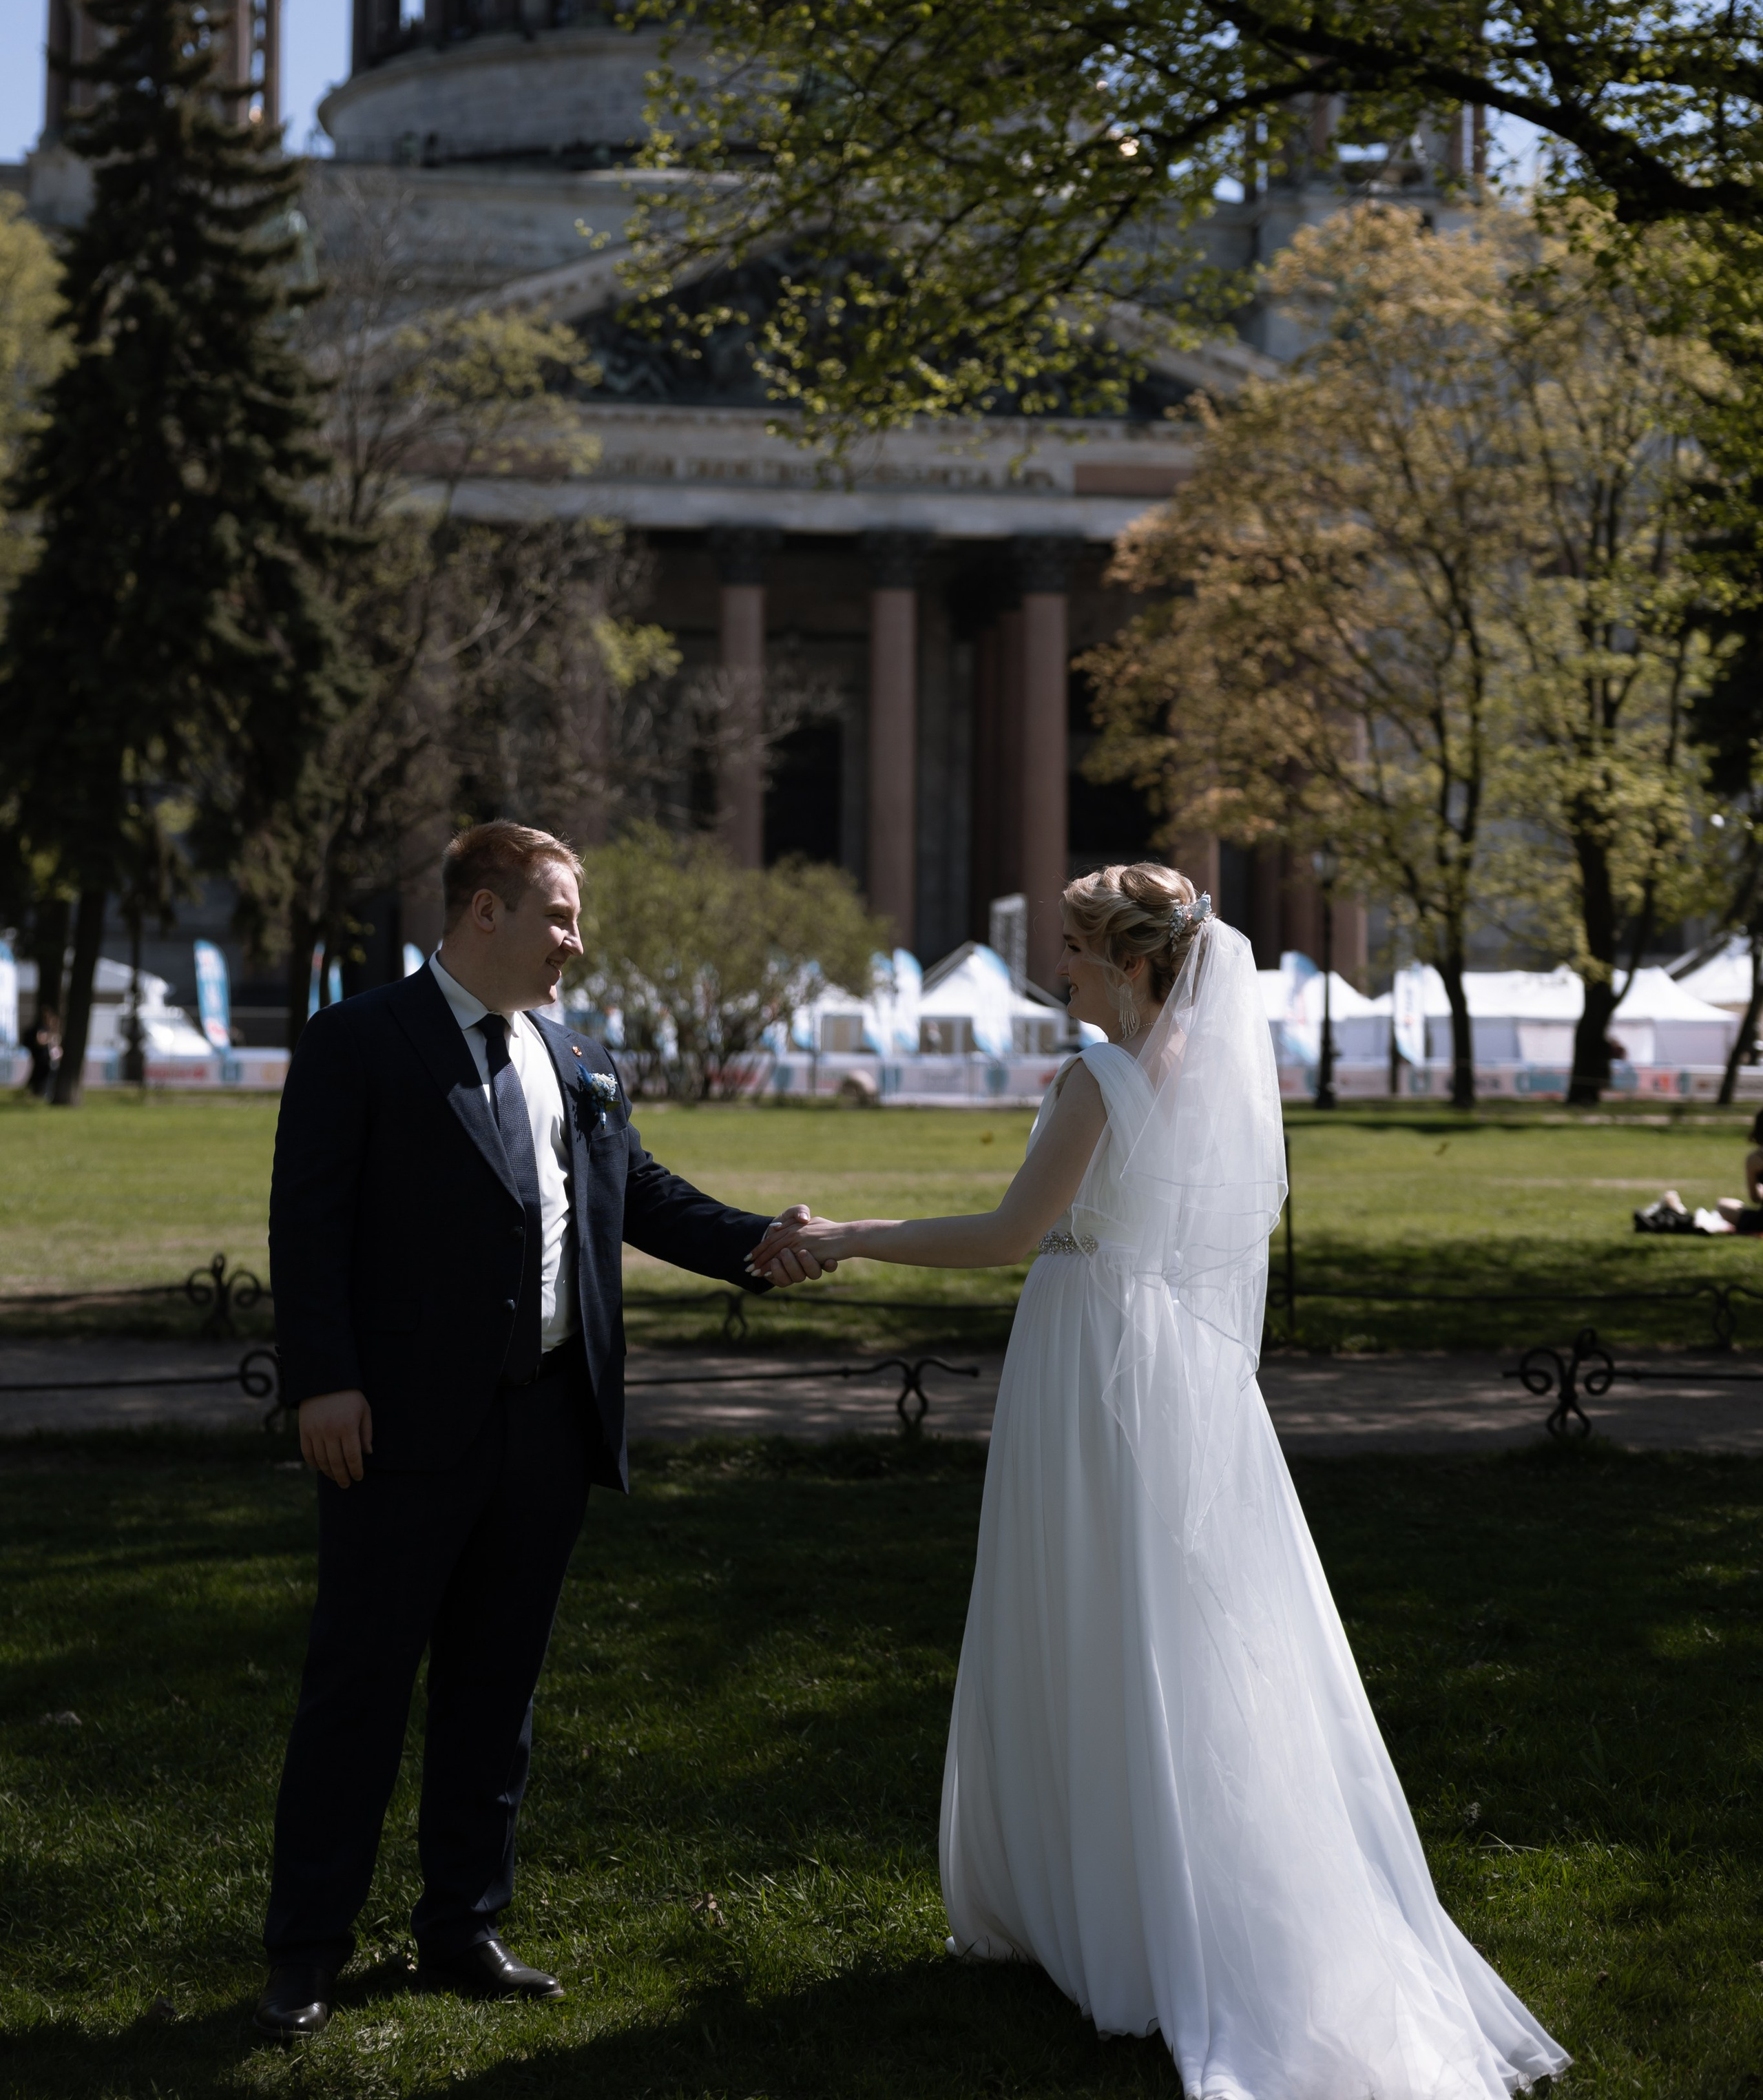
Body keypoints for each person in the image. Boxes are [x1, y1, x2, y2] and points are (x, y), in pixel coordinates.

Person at [755, 863, 1569, 2097]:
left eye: (1076, 947)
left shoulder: (1100, 1077)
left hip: (1091, 1364)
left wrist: (842, 1237)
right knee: (1171, 1630)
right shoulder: (1199, 1075)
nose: (1059, 965)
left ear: (1132, 963)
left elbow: (1002, 1237)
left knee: (1092, 1616)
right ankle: (1129, 1902)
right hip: (1174, 1373)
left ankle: (1114, 1918)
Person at [256, 820, 826, 2043]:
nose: (577, 939)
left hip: (548, 1427)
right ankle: (305, 1950)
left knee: (495, 1692)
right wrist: (325, 1382)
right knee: (357, 1690)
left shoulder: (576, 1053)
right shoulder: (358, 1041)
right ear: (482, 912)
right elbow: (309, 1224)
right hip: (393, 1431)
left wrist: (755, 1245)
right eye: (560, 915)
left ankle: (461, 1929)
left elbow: (641, 1195)